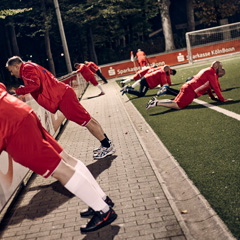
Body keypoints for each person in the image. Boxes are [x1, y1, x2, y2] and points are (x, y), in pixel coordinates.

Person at [0, 82, 117, 233]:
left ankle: (103, 211)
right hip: (21, 112)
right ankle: (101, 199)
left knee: (59, 168)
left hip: (12, 126)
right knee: (65, 159)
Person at [6, 56, 114, 160]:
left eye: (11, 70)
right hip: (62, 95)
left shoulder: (26, 69)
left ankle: (107, 146)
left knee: (86, 121)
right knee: (87, 119)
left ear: (16, 66)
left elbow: (35, 85)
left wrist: (18, 91)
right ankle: (106, 143)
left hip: (62, 97)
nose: (11, 73)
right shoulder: (29, 66)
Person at [146, 61, 232, 110]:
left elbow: (208, 87)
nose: (220, 71)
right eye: (220, 69)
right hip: (191, 90)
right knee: (178, 105)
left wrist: (213, 98)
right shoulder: (212, 73)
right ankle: (156, 103)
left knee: (175, 102)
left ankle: (156, 101)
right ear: (216, 67)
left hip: (188, 86)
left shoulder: (208, 70)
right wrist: (222, 100)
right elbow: (216, 88)